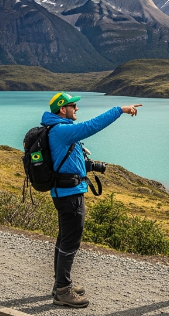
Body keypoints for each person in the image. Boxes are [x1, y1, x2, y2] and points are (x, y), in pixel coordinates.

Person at [43, 92, 141, 308]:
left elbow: (68, 161)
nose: (76, 109)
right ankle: (62, 291)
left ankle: (61, 282)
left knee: (64, 239)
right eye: (73, 106)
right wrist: (120, 109)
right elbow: (91, 126)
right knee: (70, 241)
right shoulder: (62, 130)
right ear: (62, 109)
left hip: (65, 191)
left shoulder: (58, 128)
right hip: (69, 194)